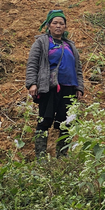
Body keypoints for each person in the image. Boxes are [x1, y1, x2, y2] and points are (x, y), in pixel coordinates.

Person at [25, 10, 84, 158]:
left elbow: (78, 68)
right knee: (45, 120)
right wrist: (32, 83)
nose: (58, 26)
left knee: (67, 122)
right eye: (55, 23)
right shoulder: (42, 42)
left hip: (69, 88)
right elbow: (32, 64)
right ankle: (41, 157)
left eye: (61, 23)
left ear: (65, 27)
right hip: (49, 87)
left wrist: (79, 87)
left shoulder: (70, 45)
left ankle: (62, 156)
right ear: (49, 25)